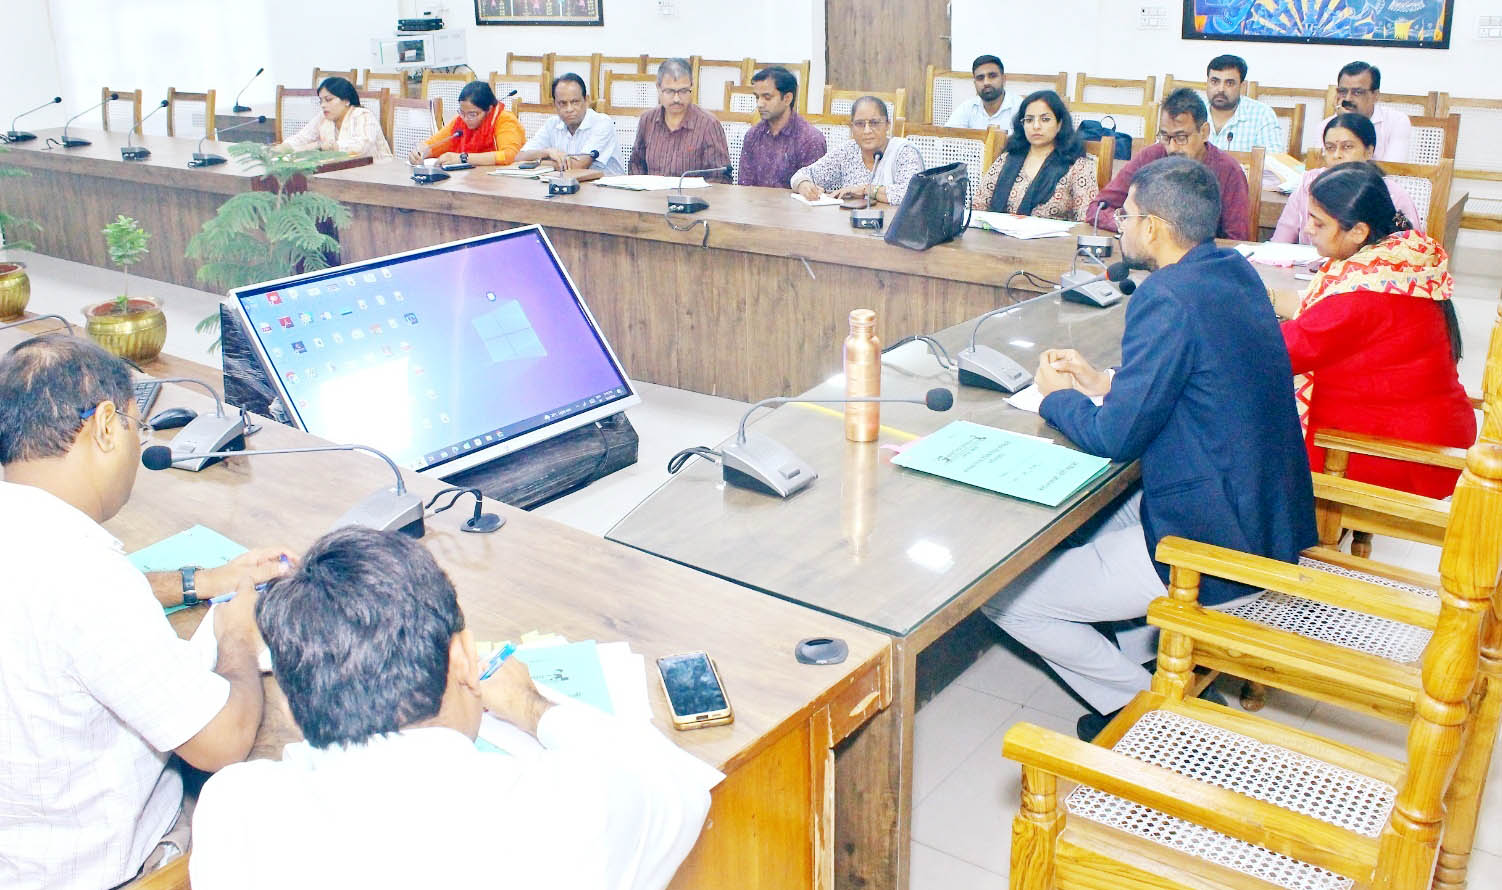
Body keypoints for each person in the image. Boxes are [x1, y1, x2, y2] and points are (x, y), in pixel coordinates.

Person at [980, 157, 1316, 742]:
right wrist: (1105, 383)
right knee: (1096, 523)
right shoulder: (1233, 271)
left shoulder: (1165, 296)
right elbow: (1200, 378)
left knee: (1005, 598)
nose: (1120, 226)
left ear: (1155, 228)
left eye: (1127, 216)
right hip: (1265, 514)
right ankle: (1152, 669)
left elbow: (1116, 438)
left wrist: (1058, 398)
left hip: (1212, 540)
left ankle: (1154, 718)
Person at [190, 527, 720, 889]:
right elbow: (679, 788)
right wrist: (531, 706)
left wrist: (238, 645)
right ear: (463, 659)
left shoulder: (234, 810)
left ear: (290, 698)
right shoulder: (564, 809)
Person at [0, 335, 292, 890]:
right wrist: (236, 634)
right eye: (139, 427)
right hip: (105, 870)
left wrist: (204, 581)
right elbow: (221, 743)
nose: (139, 446)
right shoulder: (86, 576)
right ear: (106, 425)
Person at [1271, 161, 1473, 498]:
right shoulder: (1397, 263)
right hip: (1432, 435)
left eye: (1319, 223)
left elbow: (1279, 353)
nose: (1308, 229)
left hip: (1403, 455)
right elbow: (1317, 319)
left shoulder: (1362, 296)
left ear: (1358, 232)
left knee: (1250, 439)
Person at [1095, 88, 1252, 240]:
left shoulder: (1229, 171)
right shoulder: (1149, 158)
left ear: (1204, 132)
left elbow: (1237, 240)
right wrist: (1127, 225)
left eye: (1181, 138)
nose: (1172, 148)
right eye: (1165, 137)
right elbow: (1097, 208)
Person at [1271, 113, 1423, 244]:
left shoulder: (1390, 193)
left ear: (1369, 151)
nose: (1337, 155)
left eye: (1347, 147)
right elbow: (1280, 242)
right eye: (1330, 148)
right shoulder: (1309, 184)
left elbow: (1410, 249)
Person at [973, 89, 1098, 220]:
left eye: (1045, 119)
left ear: (1059, 124)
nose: (1036, 126)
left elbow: (1087, 221)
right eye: (1029, 120)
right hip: (998, 232)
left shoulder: (1078, 166)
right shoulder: (1007, 159)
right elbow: (977, 208)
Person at [790, 96, 924, 205]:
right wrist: (803, 184)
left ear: (887, 125)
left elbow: (915, 194)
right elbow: (803, 174)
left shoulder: (904, 152)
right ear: (851, 127)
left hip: (894, 227)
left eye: (874, 123)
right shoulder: (847, 151)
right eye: (860, 124)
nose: (867, 130)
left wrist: (866, 190)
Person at [628, 57, 731, 182]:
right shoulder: (647, 120)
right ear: (658, 88)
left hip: (692, 194)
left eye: (683, 91)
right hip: (651, 193)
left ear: (691, 86)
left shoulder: (709, 125)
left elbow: (720, 177)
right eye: (669, 91)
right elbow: (636, 164)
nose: (676, 99)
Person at [513, 72, 625, 175]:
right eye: (563, 103)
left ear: (586, 100)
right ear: (554, 104)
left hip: (606, 188)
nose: (569, 109)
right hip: (568, 185)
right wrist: (546, 153)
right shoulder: (552, 124)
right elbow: (519, 158)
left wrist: (538, 162)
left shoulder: (602, 123)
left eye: (575, 102)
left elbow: (577, 166)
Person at [737, 65, 826, 189]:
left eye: (767, 97)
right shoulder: (753, 135)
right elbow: (744, 187)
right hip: (754, 201)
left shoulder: (810, 139)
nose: (760, 104)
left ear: (787, 99)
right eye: (757, 97)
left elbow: (814, 192)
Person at [408, 81, 525, 168]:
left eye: (472, 114)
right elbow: (433, 145)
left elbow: (509, 155)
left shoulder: (504, 119)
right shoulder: (460, 121)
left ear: (489, 109)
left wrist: (463, 158)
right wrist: (419, 152)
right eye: (462, 113)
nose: (465, 119)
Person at [275, 76, 392, 160]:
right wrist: (284, 147)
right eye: (321, 101)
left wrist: (323, 146)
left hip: (376, 173)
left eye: (328, 100)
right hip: (340, 172)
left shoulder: (363, 115)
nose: (323, 105)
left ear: (346, 100)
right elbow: (302, 137)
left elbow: (361, 146)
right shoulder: (323, 117)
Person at [1319, 61, 1411, 162]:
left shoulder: (1396, 121)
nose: (1348, 98)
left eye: (1357, 92)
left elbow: (1393, 167)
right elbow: (1325, 165)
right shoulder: (1325, 125)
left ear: (1375, 95)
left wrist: (1350, 123)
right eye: (1343, 91)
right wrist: (1344, 121)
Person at [1203, 54, 1281, 152]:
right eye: (1215, 82)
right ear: (1207, 83)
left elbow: (1272, 158)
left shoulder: (1262, 115)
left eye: (1229, 83)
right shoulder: (1192, 111)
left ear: (1242, 86)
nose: (1221, 89)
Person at [944, 54, 1021, 130]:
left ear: (1003, 79)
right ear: (975, 84)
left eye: (992, 76)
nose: (986, 82)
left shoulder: (1020, 108)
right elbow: (948, 135)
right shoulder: (967, 107)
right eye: (980, 78)